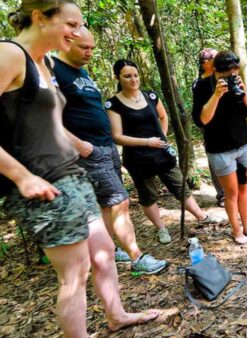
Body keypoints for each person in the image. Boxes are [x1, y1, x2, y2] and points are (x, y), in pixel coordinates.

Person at [0, 2, 159, 336]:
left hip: (72, 173)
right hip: (41, 182)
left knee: (103, 254)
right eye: (70, 24)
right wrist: (21, 176)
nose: (75, 32)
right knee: (74, 273)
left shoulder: (44, 65)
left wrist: (79, 147)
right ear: (41, 18)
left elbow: (48, 123)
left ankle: (116, 315)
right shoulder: (9, 54)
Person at [53, 27, 168, 271]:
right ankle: (137, 257)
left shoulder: (80, 72)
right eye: (84, 47)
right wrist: (81, 146)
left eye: (92, 48)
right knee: (120, 202)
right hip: (90, 152)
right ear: (65, 42)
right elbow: (45, 117)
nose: (89, 52)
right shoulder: (54, 70)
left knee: (108, 205)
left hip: (106, 148)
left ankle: (111, 250)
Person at [106, 59, 220, 244]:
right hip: (137, 157)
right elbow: (117, 136)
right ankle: (161, 229)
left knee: (179, 184)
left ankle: (201, 217)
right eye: (127, 76)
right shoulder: (114, 104)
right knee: (148, 194)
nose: (133, 79)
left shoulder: (150, 95)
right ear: (118, 77)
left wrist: (162, 137)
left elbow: (163, 115)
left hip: (161, 152)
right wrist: (146, 142)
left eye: (135, 75)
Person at [192, 50, 247, 245]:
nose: (229, 76)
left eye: (233, 71)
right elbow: (202, 119)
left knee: (244, 188)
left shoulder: (237, 81)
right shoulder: (203, 86)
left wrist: (244, 91)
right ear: (215, 70)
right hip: (221, 150)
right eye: (225, 73)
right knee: (231, 193)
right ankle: (236, 230)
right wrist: (216, 95)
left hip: (242, 144)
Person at [193, 48, 225, 207]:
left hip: (228, 125)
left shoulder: (221, 77)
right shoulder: (198, 84)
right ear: (206, 63)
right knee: (215, 160)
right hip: (210, 128)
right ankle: (222, 194)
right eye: (214, 57)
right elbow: (199, 113)